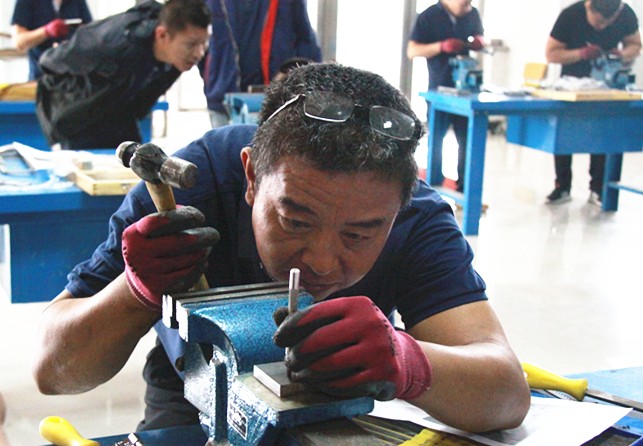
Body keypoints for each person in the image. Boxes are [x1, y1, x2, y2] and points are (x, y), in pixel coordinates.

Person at [32, 62, 530, 434]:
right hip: (190, 399)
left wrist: (408, 362)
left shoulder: (416, 216)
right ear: (251, 175)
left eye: (358, 235)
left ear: (400, 204)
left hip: (347, 402)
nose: (320, 261)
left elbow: (506, 393)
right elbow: (54, 373)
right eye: (295, 221)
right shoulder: (184, 193)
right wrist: (134, 292)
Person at [35, 0, 211, 150]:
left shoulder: (177, 57)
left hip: (119, 112)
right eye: (191, 45)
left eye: (203, 44)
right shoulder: (111, 43)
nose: (199, 53)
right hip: (75, 116)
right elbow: (49, 61)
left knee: (136, 165)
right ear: (162, 35)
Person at [544, 0, 641, 205]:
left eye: (607, 23)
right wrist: (579, 54)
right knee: (566, 136)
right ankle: (562, 186)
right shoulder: (570, 15)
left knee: (603, 135)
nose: (602, 27)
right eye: (598, 22)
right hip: (572, 87)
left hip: (607, 87)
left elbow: (635, 44)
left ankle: (598, 189)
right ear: (589, 6)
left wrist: (621, 54)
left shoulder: (626, 13)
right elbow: (551, 54)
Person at [201, 0, 322, 128]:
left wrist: (292, 78)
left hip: (275, 99)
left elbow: (305, 40)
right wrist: (212, 77)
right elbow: (200, 38)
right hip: (223, 98)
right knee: (225, 140)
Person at [406, 0, 484, 193]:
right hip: (439, 90)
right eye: (463, 3)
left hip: (466, 92)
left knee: (467, 141)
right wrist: (441, 47)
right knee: (436, 140)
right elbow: (412, 50)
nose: (466, 7)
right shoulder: (429, 16)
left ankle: (465, 188)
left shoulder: (472, 14)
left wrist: (479, 42)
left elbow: (481, 38)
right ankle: (432, 187)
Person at [10, 0, 93, 80]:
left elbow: (90, 35)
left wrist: (69, 46)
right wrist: (46, 31)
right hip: (40, 78)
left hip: (74, 79)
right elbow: (19, 42)